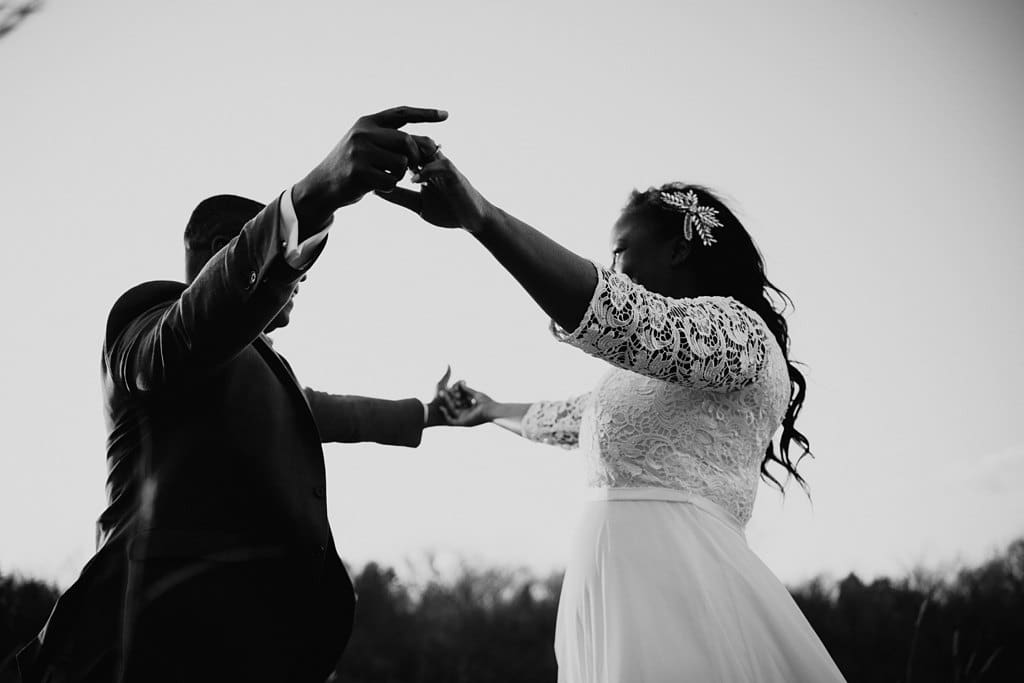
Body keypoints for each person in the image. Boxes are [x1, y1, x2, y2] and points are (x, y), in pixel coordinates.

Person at [17, 106, 451, 683]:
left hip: (256, 643)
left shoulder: (263, 364)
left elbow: (323, 411)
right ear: (230, 247)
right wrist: (311, 198)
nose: (295, 291)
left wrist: (429, 414)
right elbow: (191, 332)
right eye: (298, 274)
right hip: (154, 637)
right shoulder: (146, 319)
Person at [380, 154, 847, 681]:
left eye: (621, 252)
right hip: (611, 588)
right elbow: (575, 418)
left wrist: (483, 218)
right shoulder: (657, 375)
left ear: (678, 249)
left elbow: (625, 320)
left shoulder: (741, 335)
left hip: (682, 584)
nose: (612, 268)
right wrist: (490, 411)